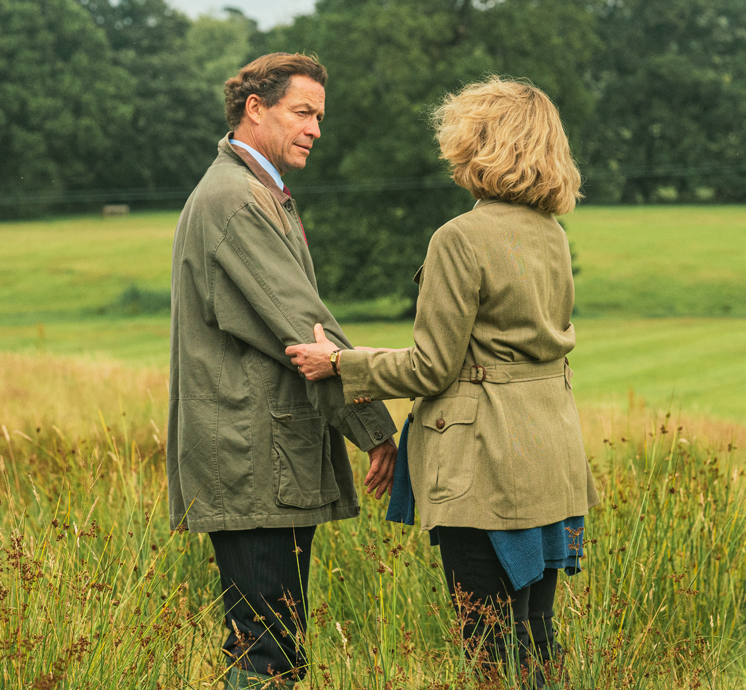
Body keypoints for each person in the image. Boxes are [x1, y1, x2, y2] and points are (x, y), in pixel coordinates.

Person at [286, 77, 601, 686]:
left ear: (478, 142)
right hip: (551, 456)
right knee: (536, 642)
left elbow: (431, 367)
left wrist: (341, 365)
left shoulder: (459, 237)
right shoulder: (551, 234)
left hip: (486, 466)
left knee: (489, 650)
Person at [166, 53, 399, 689]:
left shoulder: (251, 191)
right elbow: (305, 329)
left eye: (320, 116)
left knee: (274, 645)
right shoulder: (238, 200)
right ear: (255, 109)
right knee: (266, 652)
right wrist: (376, 427)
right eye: (303, 112)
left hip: (263, 458)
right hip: (251, 459)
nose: (316, 128)